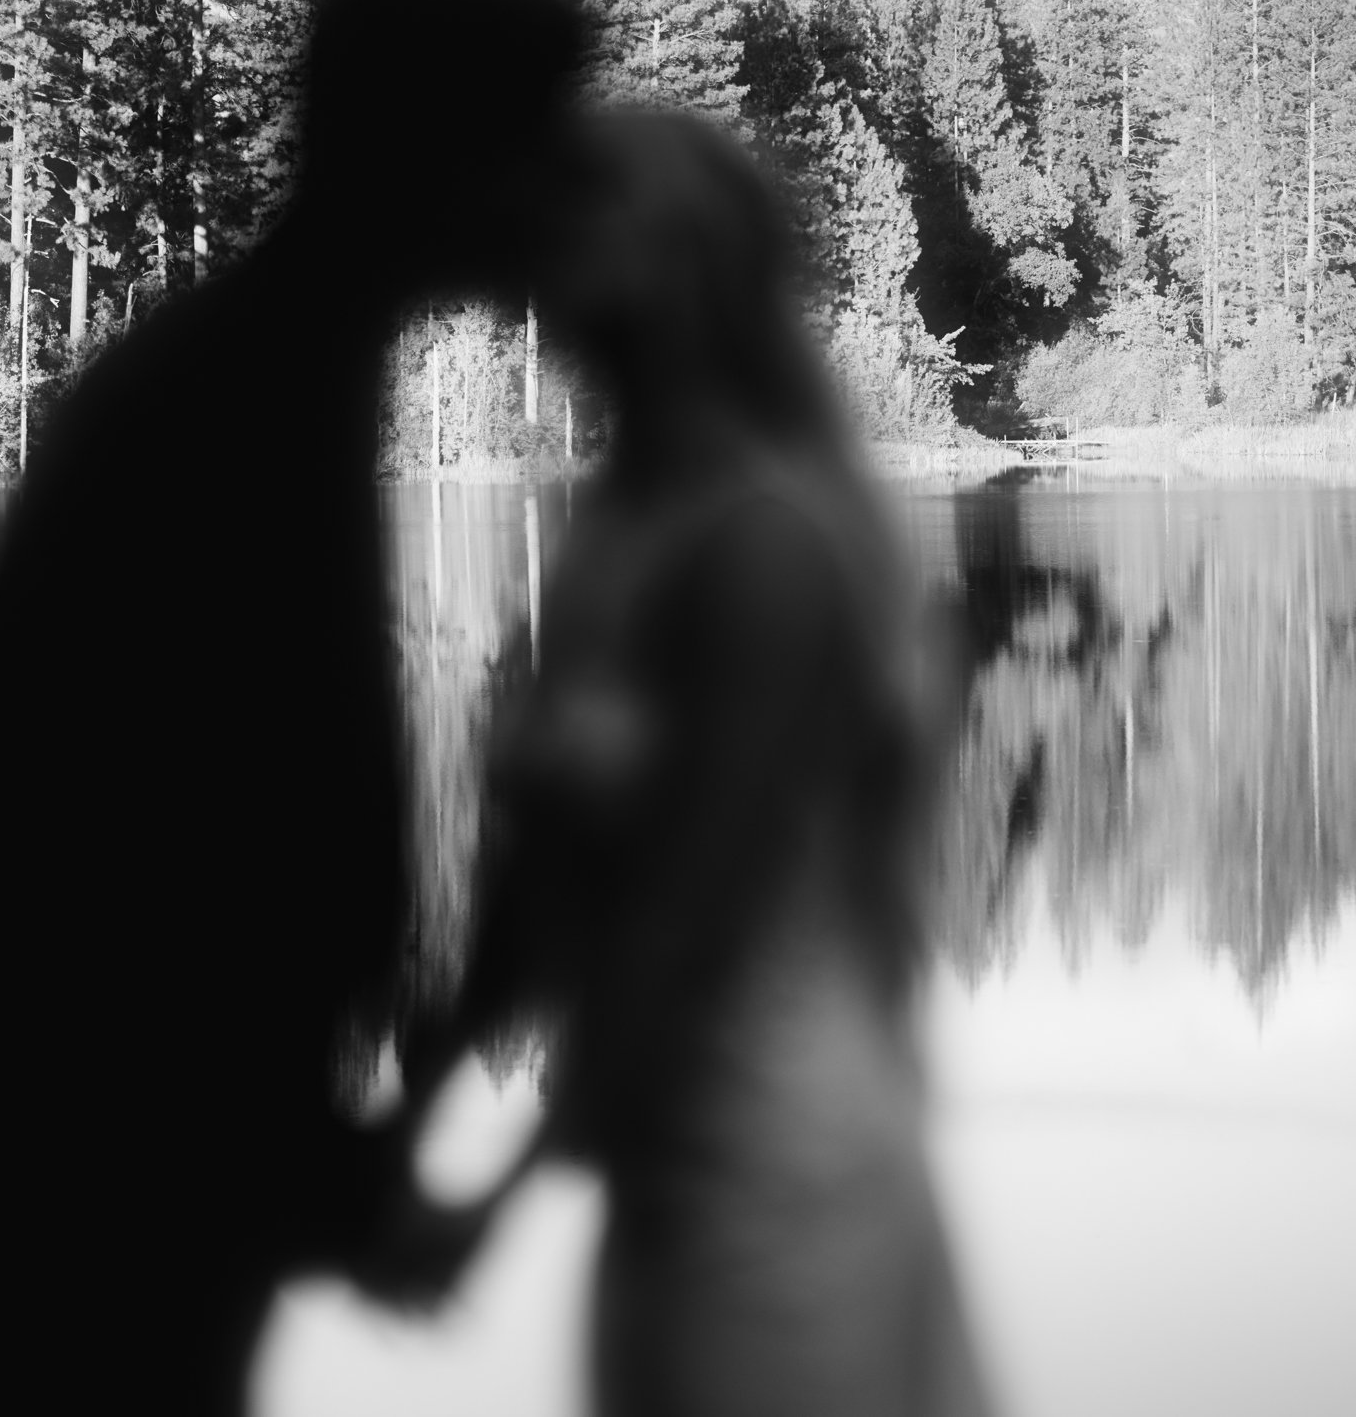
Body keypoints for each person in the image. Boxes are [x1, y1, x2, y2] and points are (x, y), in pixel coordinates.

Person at [0, 0, 587, 1417]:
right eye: (541, 145)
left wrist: (323, 1171)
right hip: (27, 1210)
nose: (563, 194)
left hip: (74, 1178)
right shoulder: (235, 409)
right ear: (441, 155)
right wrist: (328, 1187)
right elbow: (122, 875)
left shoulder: (284, 371)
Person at [371, 111, 993, 1417]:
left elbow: (688, 921)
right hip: (653, 1180)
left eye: (585, 230)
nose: (545, 265)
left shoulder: (770, 550)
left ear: (682, 272)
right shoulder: (615, 537)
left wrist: (500, 1194)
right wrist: (409, 1114)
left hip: (785, 1174)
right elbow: (531, 892)